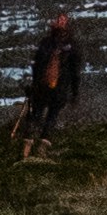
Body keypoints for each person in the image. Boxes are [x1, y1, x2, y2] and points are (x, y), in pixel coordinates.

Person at [18, 13, 82, 157]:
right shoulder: (72, 46)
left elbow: (37, 65)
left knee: (37, 115)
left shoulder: (47, 42)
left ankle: (28, 149)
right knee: (49, 116)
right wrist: (75, 93)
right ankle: (40, 149)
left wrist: (33, 85)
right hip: (57, 88)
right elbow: (75, 72)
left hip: (44, 87)